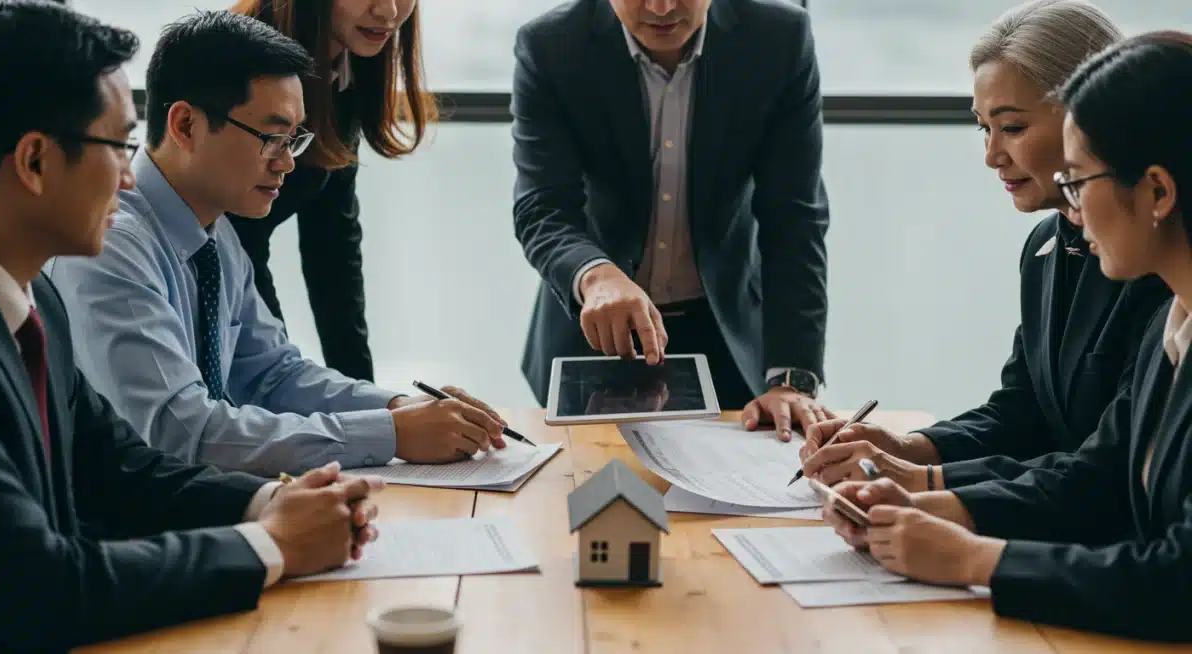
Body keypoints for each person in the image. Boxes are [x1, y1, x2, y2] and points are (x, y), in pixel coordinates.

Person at [0, 2, 379, 649]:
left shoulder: (37, 308)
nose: (129, 173)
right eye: (117, 146)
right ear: (34, 162)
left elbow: (120, 466)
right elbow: (41, 585)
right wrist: (268, 545)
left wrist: (265, 506)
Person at [823, 30, 1192, 642]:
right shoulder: (1170, 327)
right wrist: (926, 506)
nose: (1070, 210)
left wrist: (975, 559)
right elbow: (1098, 476)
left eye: (1077, 182)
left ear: (1157, 190)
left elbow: (1178, 577)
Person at [48, 11, 504, 478]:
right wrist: (391, 432)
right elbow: (182, 432)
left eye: (295, 138)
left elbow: (274, 373)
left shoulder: (216, 234)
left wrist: (403, 406)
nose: (288, 163)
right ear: (185, 125)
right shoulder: (110, 244)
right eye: (271, 138)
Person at [800, 0, 1169, 491]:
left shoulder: (1161, 263)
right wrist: (907, 448)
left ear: (1093, 115)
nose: (992, 156)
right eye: (984, 127)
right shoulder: (1046, 245)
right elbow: (1023, 412)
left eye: (1013, 127)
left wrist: (926, 483)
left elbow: (1105, 470)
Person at [511, 0, 833, 430]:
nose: (661, 7)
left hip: (728, 337)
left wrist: (792, 378)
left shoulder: (779, 39)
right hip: (596, 339)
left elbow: (794, 218)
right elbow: (542, 205)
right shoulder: (550, 46)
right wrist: (595, 274)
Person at [224, 0, 434, 382]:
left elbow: (333, 243)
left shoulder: (350, 58)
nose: (388, 11)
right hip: (186, 279)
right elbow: (233, 237)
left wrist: (366, 396)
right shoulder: (245, 56)